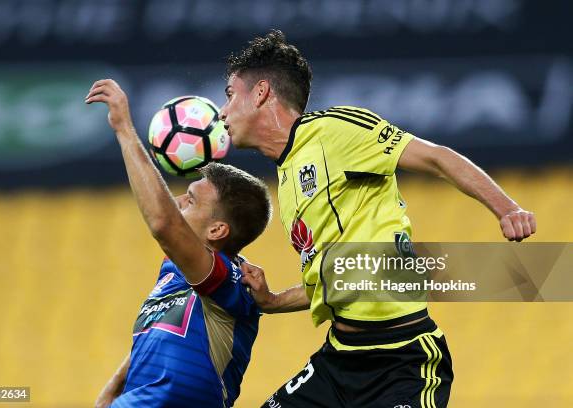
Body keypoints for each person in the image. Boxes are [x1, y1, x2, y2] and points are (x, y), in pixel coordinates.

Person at [218, 30, 537, 407]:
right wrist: (272, 300)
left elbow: (437, 157)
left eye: (230, 95)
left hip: (402, 363)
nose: (222, 111)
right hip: (339, 361)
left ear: (260, 93)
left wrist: (507, 208)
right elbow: (341, 279)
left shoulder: (333, 131)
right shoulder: (287, 172)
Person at [85, 79, 272, 408]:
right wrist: (110, 395)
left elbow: (163, 223)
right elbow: (150, 342)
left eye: (188, 201)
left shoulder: (231, 283)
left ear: (217, 230)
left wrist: (125, 129)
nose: (175, 203)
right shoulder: (173, 273)